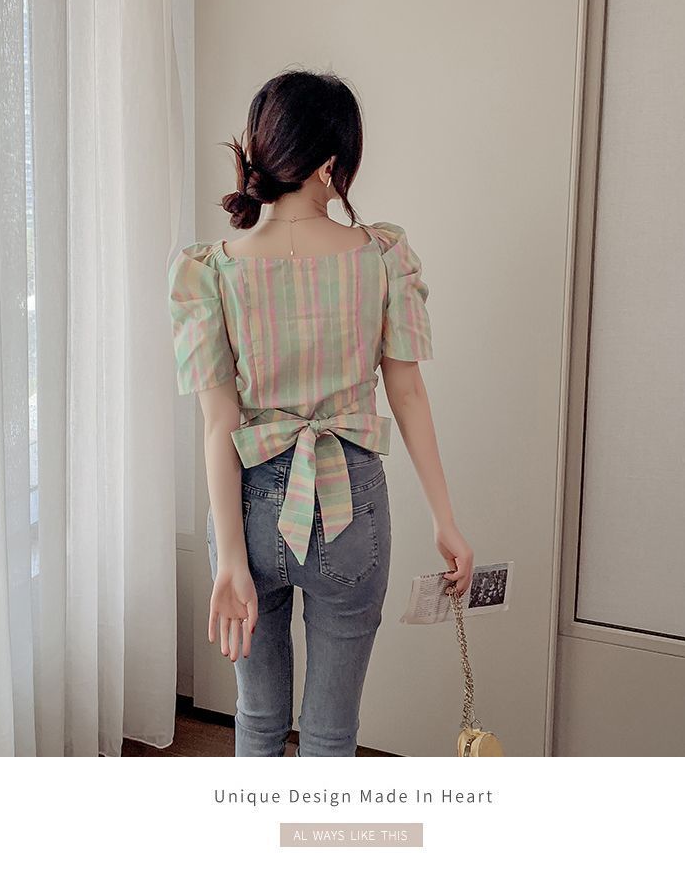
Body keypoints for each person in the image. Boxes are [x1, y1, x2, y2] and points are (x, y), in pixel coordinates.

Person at [168, 69, 474, 757]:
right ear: (332, 162)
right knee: (333, 733)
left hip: (248, 506)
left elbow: (219, 424)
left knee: (256, 720)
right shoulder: (383, 257)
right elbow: (408, 393)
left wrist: (230, 558)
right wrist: (445, 519)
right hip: (351, 507)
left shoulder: (209, 271)